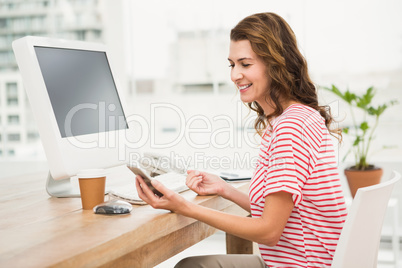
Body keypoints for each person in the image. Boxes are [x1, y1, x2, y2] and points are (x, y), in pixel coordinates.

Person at [135, 12, 347, 268]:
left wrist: (184, 207)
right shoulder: (296, 118)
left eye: (245, 64)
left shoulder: (291, 127)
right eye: (232, 64)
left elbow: (269, 231)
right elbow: (280, 212)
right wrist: (226, 189)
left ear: (276, 64)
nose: (235, 75)